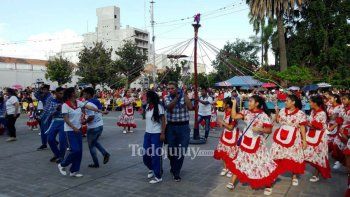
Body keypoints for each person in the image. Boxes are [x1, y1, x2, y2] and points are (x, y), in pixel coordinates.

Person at [229, 95, 279, 196]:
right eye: (248, 101)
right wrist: (234, 104)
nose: (248, 103)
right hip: (246, 140)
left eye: (251, 101)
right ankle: (232, 182)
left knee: (261, 162)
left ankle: (268, 185)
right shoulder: (245, 112)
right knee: (240, 159)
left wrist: (260, 129)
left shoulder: (264, 116)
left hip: (258, 143)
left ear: (257, 104)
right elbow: (234, 116)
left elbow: (269, 130)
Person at [270, 94, 308, 187]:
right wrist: (277, 113)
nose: (285, 102)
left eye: (287, 101)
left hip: (294, 137)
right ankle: (274, 174)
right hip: (281, 136)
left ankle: (294, 176)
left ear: (293, 102)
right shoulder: (283, 110)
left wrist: (304, 140)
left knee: (293, 156)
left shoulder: (300, 114)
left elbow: (302, 127)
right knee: (276, 153)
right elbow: (278, 121)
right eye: (285, 101)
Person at [164, 81, 193, 182]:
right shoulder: (167, 98)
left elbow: (190, 107)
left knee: (181, 151)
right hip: (171, 127)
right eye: (169, 89)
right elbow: (169, 107)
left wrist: (184, 95)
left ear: (177, 88)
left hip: (184, 127)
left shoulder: (184, 96)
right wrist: (177, 97)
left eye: (172, 88)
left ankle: (176, 172)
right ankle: (173, 167)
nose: (170, 90)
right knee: (171, 151)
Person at [304, 95, 331, 182]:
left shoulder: (322, 113)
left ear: (315, 103)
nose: (309, 103)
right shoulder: (312, 111)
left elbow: (316, 126)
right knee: (306, 152)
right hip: (311, 134)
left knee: (319, 156)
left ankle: (317, 174)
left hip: (319, 137)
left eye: (310, 102)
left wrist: (306, 123)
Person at [213, 98, 238, 187]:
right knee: (222, 152)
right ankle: (226, 167)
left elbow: (231, 127)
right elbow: (216, 104)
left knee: (231, 154)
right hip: (225, 135)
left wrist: (222, 122)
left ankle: (231, 169)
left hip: (232, 136)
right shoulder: (226, 111)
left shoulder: (233, 113)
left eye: (223, 103)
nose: (222, 104)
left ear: (228, 105)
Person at [83, 87, 110, 168]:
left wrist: (84, 122)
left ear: (88, 94)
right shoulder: (97, 101)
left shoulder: (88, 103)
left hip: (93, 127)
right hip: (100, 125)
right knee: (94, 142)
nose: (83, 95)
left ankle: (97, 162)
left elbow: (91, 117)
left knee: (91, 146)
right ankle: (104, 154)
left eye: (84, 93)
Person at [143, 90, 166, 184]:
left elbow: (163, 121)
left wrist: (162, 133)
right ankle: (151, 168)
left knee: (155, 155)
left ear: (151, 98)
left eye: (146, 97)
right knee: (145, 154)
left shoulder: (159, 107)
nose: (145, 98)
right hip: (147, 133)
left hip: (156, 134)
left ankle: (158, 176)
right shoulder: (148, 107)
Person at [46, 87, 66, 163]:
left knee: (62, 141)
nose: (62, 95)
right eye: (60, 93)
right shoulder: (52, 101)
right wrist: (56, 110)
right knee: (50, 139)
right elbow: (49, 113)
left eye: (63, 93)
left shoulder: (66, 101)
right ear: (56, 93)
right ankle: (57, 154)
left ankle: (61, 157)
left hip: (64, 122)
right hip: (55, 121)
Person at [326, 94, 344, 169]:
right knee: (328, 144)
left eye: (330, 98)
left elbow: (339, 119)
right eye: (328, 99)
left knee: (336, 144)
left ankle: (340, 160)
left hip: (337, 127)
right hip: (329, 126)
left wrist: (333, 126)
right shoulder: (329, 106)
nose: (329, 100)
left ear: (336, 98)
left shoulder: (340, 107)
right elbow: (329, 117)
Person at [35, 84, 53, 150]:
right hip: (44, 114)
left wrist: (40, 116)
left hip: (48, 115)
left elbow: (46, 108)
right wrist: (39, 89)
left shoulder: (49, 97)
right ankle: (44, 144)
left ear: (48, 90)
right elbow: (35, 95)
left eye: (44, 89)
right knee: (43, 129)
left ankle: (51, 142)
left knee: (46, 129)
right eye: (42, 89)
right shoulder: (43, 96)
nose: (43, 91)